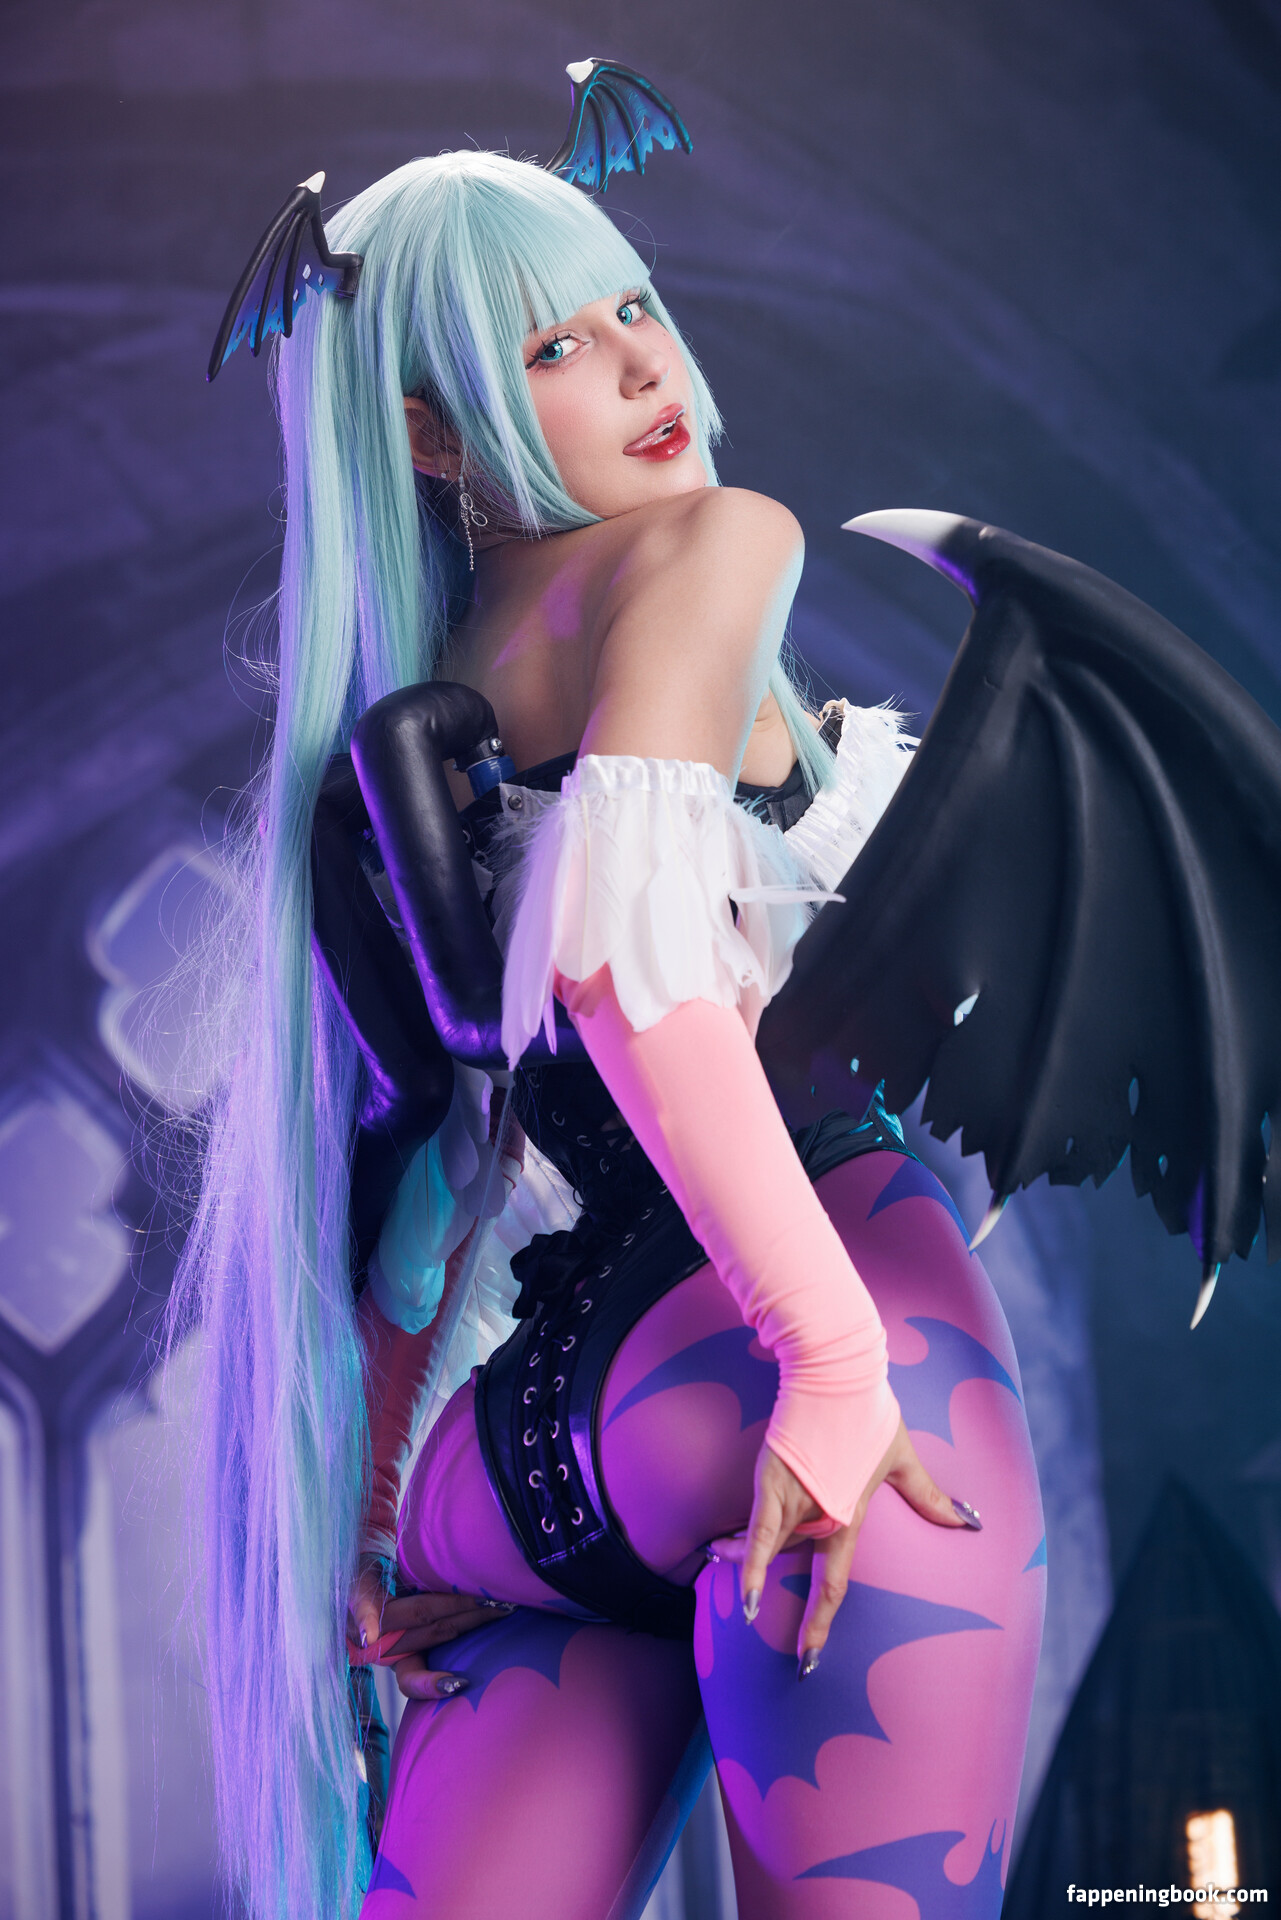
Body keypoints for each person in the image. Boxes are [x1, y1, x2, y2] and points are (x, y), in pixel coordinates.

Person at [181, 147, 1044, 1920]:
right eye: (555, 348)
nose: (646, 362)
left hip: (508, 1476)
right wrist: (827, 1359)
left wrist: (368, 1509)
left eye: (632, 306)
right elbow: (622, 970)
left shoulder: (420, 705)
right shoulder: (715, 545)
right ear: (432, 435)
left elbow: (438, 1156)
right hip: (809, 1354)